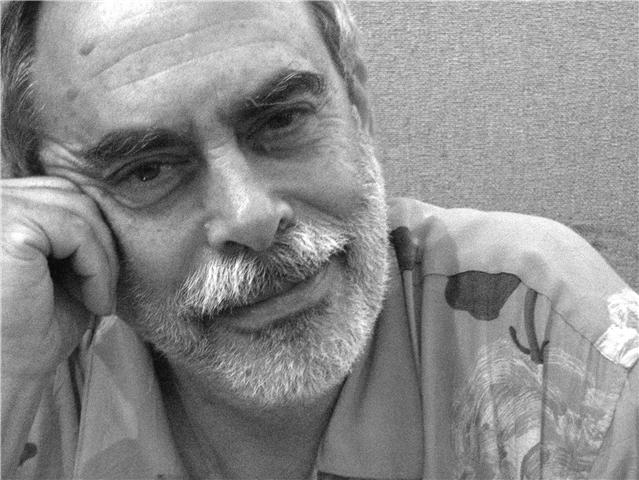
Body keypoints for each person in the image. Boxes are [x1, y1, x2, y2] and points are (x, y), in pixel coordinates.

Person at [1, 1, 637, 479]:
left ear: (357, 103)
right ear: (44, 196)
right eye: (146, 170)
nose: (251, 217)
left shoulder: (550, 327)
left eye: (281, 119)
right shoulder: (24, 351)